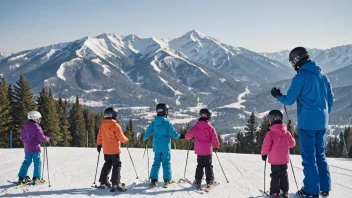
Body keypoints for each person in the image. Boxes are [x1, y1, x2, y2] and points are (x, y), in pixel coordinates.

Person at [271, 47, 334, 197]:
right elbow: (330, 99)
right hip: (322, 122)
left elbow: (289, 99)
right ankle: (324, 187)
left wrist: (277, 95)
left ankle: (311, 191)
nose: (293, 65)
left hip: (307, 123)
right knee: (320, 154)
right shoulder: (323, 76)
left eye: (292, 62)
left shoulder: (300, 77)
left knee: (309, 156)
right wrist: (323, 115)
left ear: (296, 61)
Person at [143, 103, 184, 187]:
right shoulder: (166, 122)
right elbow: (174, 134)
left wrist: (145, 139)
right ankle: (167, 180)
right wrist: (181, 136)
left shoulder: (154, 122)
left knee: (156, 162)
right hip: (165, 147)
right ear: (165, 112)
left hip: (157, 147)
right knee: (166, 163)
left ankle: (153, 179)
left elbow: (148, 132)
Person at [261, 110, 296, 198]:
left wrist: (264, 154)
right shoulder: (286, 132)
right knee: (284, 174)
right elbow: (292, 144)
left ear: (272, 120)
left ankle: (275, 193)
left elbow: (266, 145)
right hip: (284, 159)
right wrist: (292, 135)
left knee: (275, 175)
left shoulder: (270, 133)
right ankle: (285, 192)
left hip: (275, 160)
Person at [185, 108, 220, 188]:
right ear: (208, 117)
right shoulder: (210, 127)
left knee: (200, 165)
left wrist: (187, 137)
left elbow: (188, 136)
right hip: (207, 151)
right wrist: (217, 146)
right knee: (208, 165)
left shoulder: (196, 127)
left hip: (199, 151)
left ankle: (198, 181)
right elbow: (214, 138)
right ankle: (210, 181)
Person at [96, 107, 129, 192]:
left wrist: (99, 144)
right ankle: (115, 183)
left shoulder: (102, 125)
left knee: (107, 164)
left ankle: (103, 182)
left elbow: (99, 136)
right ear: (113, 115)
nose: (117, 117)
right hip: (114, 150)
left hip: (106, 150)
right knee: (116, 165)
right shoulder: (115, 125)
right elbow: (120, 137)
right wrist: (126, 140)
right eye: (116, 115)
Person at [17, 111, 51, 185]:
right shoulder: (36, 127)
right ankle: (36, 178)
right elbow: (42, 138)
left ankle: (21, 178)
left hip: (27, 149)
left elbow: (21, 137)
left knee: (26, 162)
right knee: (37, 162)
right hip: (35, 148)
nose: (39, 120)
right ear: (34, 118)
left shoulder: (25, 126)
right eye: (38, 118)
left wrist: (27, 141)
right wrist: (48, 138)